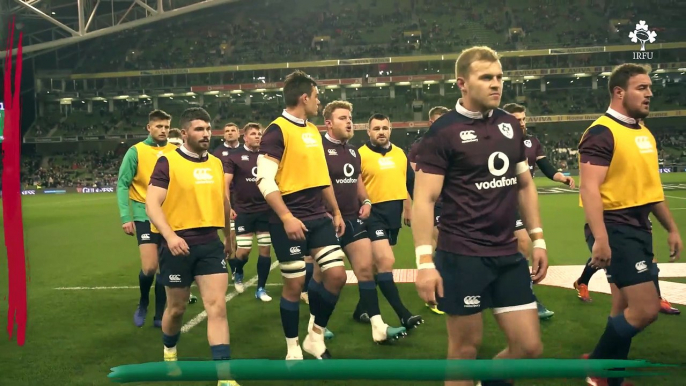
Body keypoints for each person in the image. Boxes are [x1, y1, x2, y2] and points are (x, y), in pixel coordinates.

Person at [413, 46, 547, 386]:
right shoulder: (442, 132)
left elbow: (525, 185)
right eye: (486, 77)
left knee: (529, 348)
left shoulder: (509, 125)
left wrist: (538, 237)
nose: (496, 84)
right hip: (462, 256)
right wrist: (425, 263)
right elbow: (424, 200)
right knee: (464, 351)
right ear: (462, 83)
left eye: (499, 77)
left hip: (507, 253)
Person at [577, 63, 682, 386]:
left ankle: (611, 375)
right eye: (642, 88)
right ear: (619, 92)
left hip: (639, 230)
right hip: (614, 229)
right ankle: (598, 366)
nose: (650, 93)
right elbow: (589, 187)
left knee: (622, 305)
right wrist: (601, 237)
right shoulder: (601, 132)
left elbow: (651, 191)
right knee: (646, 309)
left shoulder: (644, 133)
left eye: (650, 87)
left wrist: (672, 228)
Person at [256, 70, 348, 360]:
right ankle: (292, 346)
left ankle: (315, 335)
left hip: (318, 215)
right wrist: (286, 217)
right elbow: (264, 180)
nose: (320, 103)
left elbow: (322, 178)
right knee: (294, 285)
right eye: (317, 97)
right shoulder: (276, 130)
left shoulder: (312, 131)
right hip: (289, 219)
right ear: (304, 97)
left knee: (336, 275)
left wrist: (335, 211)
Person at [146, 107, 239, 386]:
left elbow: (223, 202)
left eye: (209, 129)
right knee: (176, 309)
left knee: (217, 307)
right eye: (199, 129)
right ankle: (170, 351)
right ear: (184, 133)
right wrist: (170, 236)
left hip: (210, 243)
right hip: (177, 246)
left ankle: (224, 377)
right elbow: (152, 204)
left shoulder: (216, 163)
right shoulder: (167, 163)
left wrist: (229, 234)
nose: (206, 134)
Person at [318, 100, 407, 343]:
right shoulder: (317, 148)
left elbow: (357, 181)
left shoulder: (352, 151)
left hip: (351, 219)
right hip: (324, 221)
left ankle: (378, 328)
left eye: (350, 117)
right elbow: (312, 185)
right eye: (342, 118)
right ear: (328, 123)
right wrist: (323, 212)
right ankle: (315, 327)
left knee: (366, 270)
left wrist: (366, 202)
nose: (349, 122)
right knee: (324, 277)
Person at [501, 102, 574, 320]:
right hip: (503, 201)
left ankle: (513, 290)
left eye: (524, 119)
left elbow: (546, 166)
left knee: (515, 248)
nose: (522, 123)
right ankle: (526, 297)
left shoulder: (532, 142)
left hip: (524, 202)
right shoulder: (497, 141)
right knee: (523, 243)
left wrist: (561, 177)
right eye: (517, 119)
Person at [354, 113, 423, 331]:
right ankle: (403, 314)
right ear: (368, 132)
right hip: (372, 216)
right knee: (386, 261)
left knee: (376, 267)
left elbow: (410, 184)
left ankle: (360, 310)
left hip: (393, 216)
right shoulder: (360, 155)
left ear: (390, 130)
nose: (381, 132)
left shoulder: (400, 154)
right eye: (376, 128)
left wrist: (413, 208)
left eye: (385, 128)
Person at [117, 109, 178, 328]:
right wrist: (126, 217)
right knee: (150, 267)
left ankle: (159, 314)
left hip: (168, 216)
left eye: (166, 127)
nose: (163, 130)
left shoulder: (176, 151)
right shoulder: (136, 151)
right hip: (144, 214)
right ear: (149, 128)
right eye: (159, 126)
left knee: (164, 268)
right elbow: (123, 184)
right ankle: (143, 302)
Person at [224, 122, 273, 302]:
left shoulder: (267, 157)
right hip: (243, 211)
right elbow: (225, 184)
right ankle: (238, 270)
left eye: (259, 133)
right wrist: (228, 207)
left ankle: (261, 288)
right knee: (243, 252)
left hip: (265, 211)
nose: (257, 136)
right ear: (245, 137)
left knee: (265, 250)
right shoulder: (235, 157)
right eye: (253, 134)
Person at [408, 106, 450, 315]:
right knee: (437, 242)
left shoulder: (456, 143)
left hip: (454, 203)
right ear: (431, 123)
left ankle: (443, 286)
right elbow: (416, 180)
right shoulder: (420, 147)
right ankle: (434, 292)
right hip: (434, 202)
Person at [213, 123, 241, 273]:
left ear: (239, 133)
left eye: (233, 131)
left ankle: (233, 268)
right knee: (230, 235)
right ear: (223, 135)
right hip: (224, 197)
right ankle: (230, 269)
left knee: (238, 238)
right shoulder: (217, 153)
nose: (230, 133)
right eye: (227, 131)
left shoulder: (245, 151)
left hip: (243, 198)